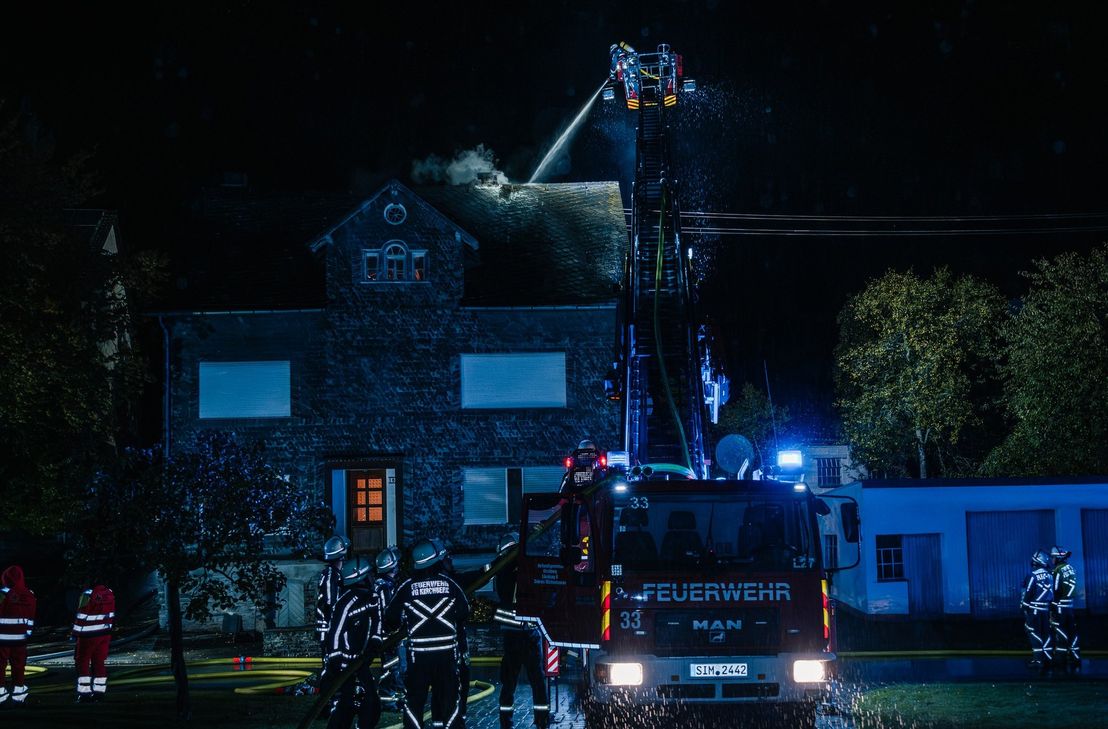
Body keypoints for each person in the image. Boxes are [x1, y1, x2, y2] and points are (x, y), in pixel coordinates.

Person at [384, 538, 469, 729]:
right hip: (446, 655)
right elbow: (464, 612)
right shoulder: (450, 584)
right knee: (450, 701)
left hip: (419, 658)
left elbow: (390, 618)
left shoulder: (406, 587)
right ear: (437, 561)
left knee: (414, 703)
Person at [493, 532, 549, 729]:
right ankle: (542, 721)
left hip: (512, 635)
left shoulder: (500, 567)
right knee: (537, 680)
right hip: (529, 633)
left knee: (509, 683)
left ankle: (505, 723)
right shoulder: (528, 565)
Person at [320, 569, 383, 729]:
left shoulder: (372, 597)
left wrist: (375, 641)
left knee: (371, 702)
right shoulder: (345, 603)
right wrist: (336, 661)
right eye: (369, 575)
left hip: (359, 661)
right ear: (361, 577)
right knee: (346, 705)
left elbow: (377, 620)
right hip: (343, 663)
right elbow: (335, 633)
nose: (372, 578)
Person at [72, 580, 115, 703]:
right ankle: (99, 692)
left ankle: (84, 693)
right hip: (104, 633)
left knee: (82, 662)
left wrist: (75, 633)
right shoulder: (109, 593)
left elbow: (81, 615)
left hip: (87, 635)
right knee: (99, 662)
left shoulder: (87, 595)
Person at [0, 565, 37, 706]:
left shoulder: (2, 594)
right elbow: (31, 618)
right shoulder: (29, 595)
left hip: (2, 639)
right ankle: (18, 696)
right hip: (20, 639)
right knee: (19, 667)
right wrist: (27, 634)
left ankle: (1, 698)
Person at [317, 535, 351, 663]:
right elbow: (331, 604)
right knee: (332, 662)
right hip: (329, 628)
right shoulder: (331, 576)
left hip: (332, 627)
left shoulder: (334, 574)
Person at [1021, 549, 1054, 671]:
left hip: (1034, 610)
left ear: (1035, 562)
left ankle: (1038, 660)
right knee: (1046, 633)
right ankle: (1048, 658)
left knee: (1033, 632)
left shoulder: (1032, 575)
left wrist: (1024, 607)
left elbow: (1028, 592)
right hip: (1046, 609)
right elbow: (1052, 594)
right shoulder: (1050, 575)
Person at [1050, 545, 1081, 670]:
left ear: (1058, 558)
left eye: (1053, 557)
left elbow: (1056, 589)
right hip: (1070, 605)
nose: (1052, 559)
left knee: (1060, 631)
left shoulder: (1057, 570)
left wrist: (1052, 606)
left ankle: (1060, 659)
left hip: (1060, 606)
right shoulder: (1071, 568)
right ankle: (1075, 657)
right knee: (1072, 631)